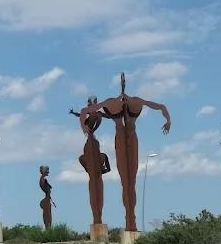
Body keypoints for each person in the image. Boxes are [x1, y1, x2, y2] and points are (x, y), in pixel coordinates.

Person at [92, 73, 171, 233]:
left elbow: (87, 110)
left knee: (127, 181)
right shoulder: (136, 101)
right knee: (129, 181)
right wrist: (168, 121)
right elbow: (161, 106)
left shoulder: (110, 103)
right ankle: (131, 220)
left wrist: (85, 124)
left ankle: (131, 220)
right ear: (125, 83)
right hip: (130, 137)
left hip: (121, 137)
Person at [69, 97, 112, 226]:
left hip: (92, 142)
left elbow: (108, 116)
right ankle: (95, 170)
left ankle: (98, 170)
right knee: (85, 159)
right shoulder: (89, 112)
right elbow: (82, 116)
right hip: (91, 139)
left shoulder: (97, 113)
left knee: (96, 159)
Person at [39, 165, 55, 229]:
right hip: (46, 200)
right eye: (47, 170)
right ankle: (48, 229)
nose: (48, 172)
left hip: (47, 199)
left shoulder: (44, 180)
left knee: (48, 216)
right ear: (44, 171)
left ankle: (48, 228)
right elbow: (46, 188)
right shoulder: (43, 180)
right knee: (47, 216)